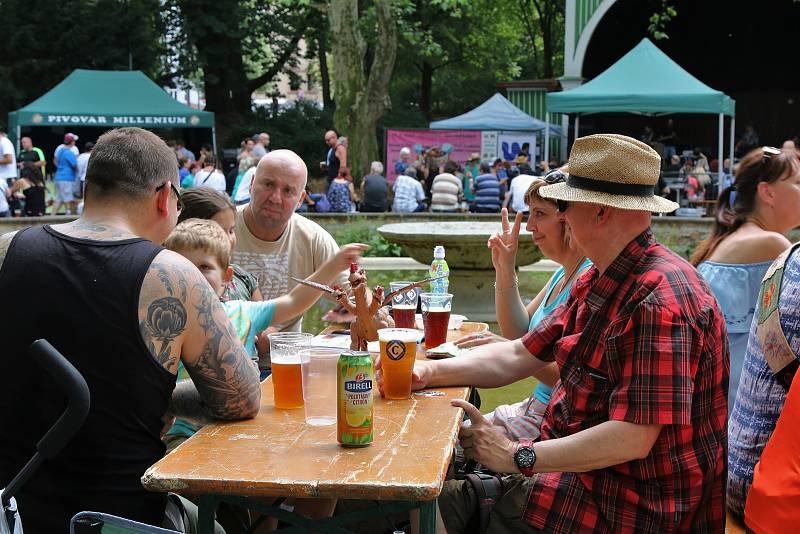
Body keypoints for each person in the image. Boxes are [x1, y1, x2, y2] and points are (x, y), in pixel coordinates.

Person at [385, 134, 727, 533]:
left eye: (564, 205)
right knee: (422, 492)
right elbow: (519, 355)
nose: (560, 218)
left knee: (425, 505)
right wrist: (423, 373)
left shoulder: (660, 299)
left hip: (628, 508)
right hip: (579, 479)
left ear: (599, 212)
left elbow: (632, 438)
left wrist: (517, 456)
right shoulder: (602, 276)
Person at [0, 127, 261, 532]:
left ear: (89, 189)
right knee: (228, 523)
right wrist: (167, 400)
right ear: (164, 198)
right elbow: (241, 400)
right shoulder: (174, 276)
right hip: (121, 517)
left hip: (12, 510)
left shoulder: (8, 250)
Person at [161, 218, 365, 448]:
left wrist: (335, 265)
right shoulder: (165, 319)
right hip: (185, 434)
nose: (193, 276)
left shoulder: (242, 312)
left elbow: (294, 301)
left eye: (204, 267)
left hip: (242, 430)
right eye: (183, 267)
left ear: (226, 277)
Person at [454, 170, 591, 440]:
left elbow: (572, 383)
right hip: (533, 408)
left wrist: (508, 349)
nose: (529, 226)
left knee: (453, 441)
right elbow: (518, 334)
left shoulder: (587, 278)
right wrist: (505, 267)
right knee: (450, 427)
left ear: (568, 218)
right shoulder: (562, 273)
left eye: (540, 214)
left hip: (552, 420)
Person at [692, 146, 799, 413]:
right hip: (744, 408)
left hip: (717, 405)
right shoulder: (771, 244)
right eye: (798, 183)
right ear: (768, 192)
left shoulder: (729, 239)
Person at [233, 150, 346, 354]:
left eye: (288, 191)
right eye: (268, 185)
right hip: (220, 369)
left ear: (301, 198)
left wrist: (373, 313)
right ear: (251, 184)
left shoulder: (313, 238)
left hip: (287, 363)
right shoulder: (220, 228)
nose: (276, 198)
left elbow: (352, 294)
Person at [178, 187, 262, 302]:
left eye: (231, 231)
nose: (229, 239)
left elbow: (262, 316)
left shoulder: (243, 278)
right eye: (219, 232)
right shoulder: (176, 284)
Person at [52, 134, 79, 215]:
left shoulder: (60, 150)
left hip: (58, 177)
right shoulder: (69, 152)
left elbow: (55, 161)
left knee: (59, 199)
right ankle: (68, 217)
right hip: (67, 179)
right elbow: (75, 165)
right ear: (72, 142)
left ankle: (51, 217)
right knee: (68, 199)